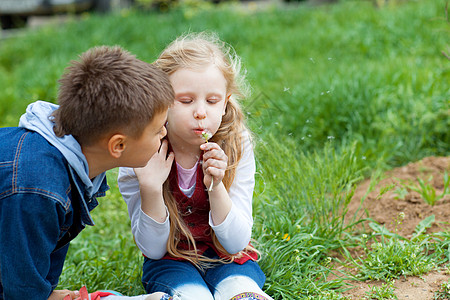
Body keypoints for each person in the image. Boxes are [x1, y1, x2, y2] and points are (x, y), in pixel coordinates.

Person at [0, 46, 175, 300]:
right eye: (158, 129)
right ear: (118, 145)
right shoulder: (38, 189)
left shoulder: (73, 165)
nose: (164, 134)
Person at [118, 32, 273, 300]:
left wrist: (216, 187)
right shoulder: (141, 152)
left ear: (225, 104)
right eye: (186, 100)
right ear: (161, 101)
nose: (200, 111)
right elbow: (153, 249)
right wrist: (150, 189)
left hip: (228, 257)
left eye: (212, 101)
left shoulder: (236, 144)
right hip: (170, 261)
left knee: (242, 292)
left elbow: (235, 242)